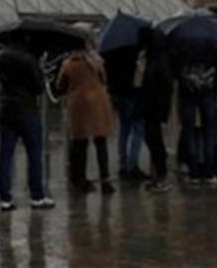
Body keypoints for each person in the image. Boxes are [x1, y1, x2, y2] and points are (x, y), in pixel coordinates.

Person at [0, 43, 54, 210]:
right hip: (27, 110)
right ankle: (37, 196)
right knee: (34, 154)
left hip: (6, 109)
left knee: (5, 155)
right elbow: (39, 87)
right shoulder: (29, 59)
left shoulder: (0, 56)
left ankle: (4, 198)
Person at [59, 43, 115, 194]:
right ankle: (106, 180)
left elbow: (61, 86)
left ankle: (80, 179)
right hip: (98, 103)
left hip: (79, 104)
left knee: (80, 143)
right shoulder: (96, 60)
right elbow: (104, 79)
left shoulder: (69, 64)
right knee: (100, 142)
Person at [138, 28, 174, 192]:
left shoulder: (160, 61)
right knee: (152, 140)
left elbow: (165, 87)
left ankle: (162, 176)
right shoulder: (155, 59)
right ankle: (158, 176)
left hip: (154, 109)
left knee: (155, 142)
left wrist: (161, 110)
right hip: (151, 107)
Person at [178, 51, 217, 185]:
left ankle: (194, 173)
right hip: (207, 96)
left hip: (188, 98)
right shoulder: (211, 56)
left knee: (190, 134)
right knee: (209, 134)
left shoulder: (184, 57)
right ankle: (209, 172)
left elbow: (180, 78)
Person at [105, 45, 146, 181]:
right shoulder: (133, 51)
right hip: (132, 94)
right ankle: (132, 165)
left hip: (117, 93)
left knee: (124, 129)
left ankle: (123, 162)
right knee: (138, 128)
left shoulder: (109, 50)